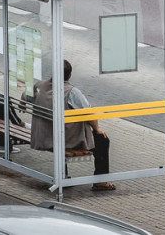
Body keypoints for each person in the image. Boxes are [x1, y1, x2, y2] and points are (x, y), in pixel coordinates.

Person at [30, 60, 115, 192]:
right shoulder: (71, 92)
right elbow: (89, 114)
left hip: (42, 136)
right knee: (102, 140)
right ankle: (100, 182)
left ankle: (63, 175)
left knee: (60, 129)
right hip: (63, 139)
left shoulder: (39, 86)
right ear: (69, 76)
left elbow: (24, 98)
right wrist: (97, 130)